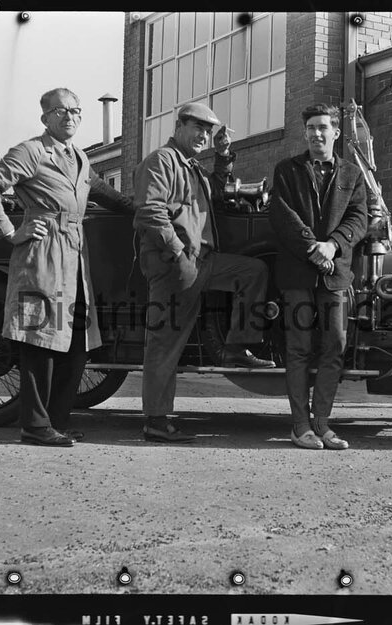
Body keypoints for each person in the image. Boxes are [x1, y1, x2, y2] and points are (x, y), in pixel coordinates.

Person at [0, 87, 132, 446]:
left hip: (75, 256)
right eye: (61, 111)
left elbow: (102, 192)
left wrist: (141, 210)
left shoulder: (80, 157)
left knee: (75, 343)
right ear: (45, 118)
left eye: (76, 111)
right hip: (42, 252)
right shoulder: (31, 151)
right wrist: (12, 232)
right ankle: (34, 425)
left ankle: (55, 421)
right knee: (39, 341)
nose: (70, 116)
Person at [133, 102, 275, 443]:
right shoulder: (162, 161)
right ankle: (155, 419)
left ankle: (237, 348)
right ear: (179, 126)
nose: (204, 135)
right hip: (176, 264)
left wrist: (224, 155)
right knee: (166, 342)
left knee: (253, 271)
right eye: (198, 128)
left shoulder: (191, 166)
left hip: (204, 261)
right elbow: (150, 211)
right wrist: (178, 252)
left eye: (208, 131)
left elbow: (215, 190)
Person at [268, 103, 369, 450]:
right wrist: (315, 248)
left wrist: (333, 246)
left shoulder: (352, 175)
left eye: (323, 127)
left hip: (335, 275)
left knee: (335, 347)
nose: (316, 133)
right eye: (311, 127)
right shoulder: (286, 170)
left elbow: (359, 219)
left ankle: (322, 423)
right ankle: (300, 426)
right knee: (298, 349)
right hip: (298, 274)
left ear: (336, 133)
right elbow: (282, 215)